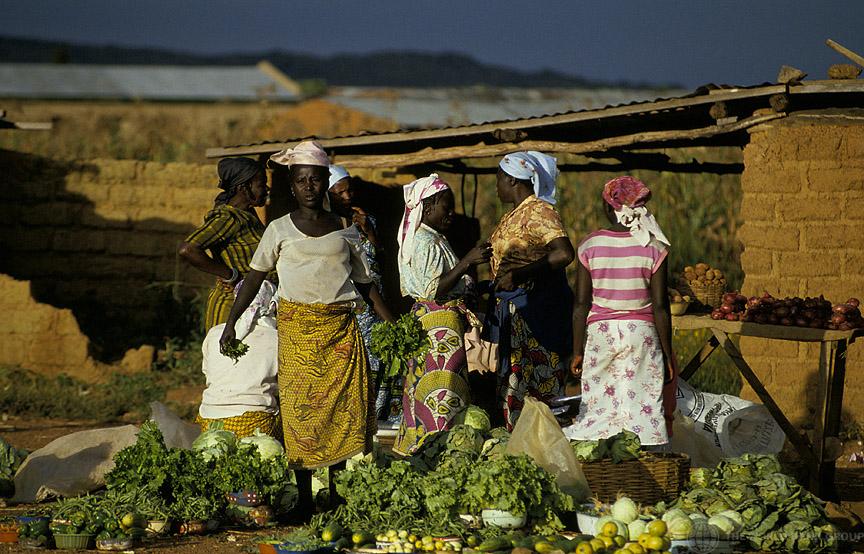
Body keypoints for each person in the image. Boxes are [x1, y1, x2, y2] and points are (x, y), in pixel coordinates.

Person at [219, 140, 394, 516]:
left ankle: (334, 495)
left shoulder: (346, 229)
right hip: (298, 335)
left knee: (342, 412)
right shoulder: (278, 230)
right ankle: (303, 498)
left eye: (315, 180)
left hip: (340, 336)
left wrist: (393, 325)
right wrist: (232, 322)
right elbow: (253, 279)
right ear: (293, 185)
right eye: (301, 181)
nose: (309, 187)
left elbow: (366, 285)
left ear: (324, 180)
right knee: (301, 413)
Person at [565, 176, 674, 446]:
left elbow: (581, 305)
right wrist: (668, 353)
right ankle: (647, 462)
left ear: (607, 207)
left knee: (599, 403)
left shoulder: (590, 246)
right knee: (643, 404)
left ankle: (599, 463)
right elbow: (660, 307)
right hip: (642, 333)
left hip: (601, 333)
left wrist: (578, 350)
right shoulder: (655, 245)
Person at [392, 175, 491, 455]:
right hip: (438, 326)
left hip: (437, 323)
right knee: (442, 390)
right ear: (429, 205)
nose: (451, 214)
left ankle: (426, 446)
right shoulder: (424, 241)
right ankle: (437, 448)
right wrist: (468, 262)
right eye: (446, 207)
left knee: (432, 388)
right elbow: (433, 287)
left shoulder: (431, 238)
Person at [488, 151, 575, 430]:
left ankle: (544, 447)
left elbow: (564, 254)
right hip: (517, 313)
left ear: (513, 180)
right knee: (516, 385)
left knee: (540, 382)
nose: (496, 185)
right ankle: (520, 445)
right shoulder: (517, 214)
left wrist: (520, 274)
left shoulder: (538, 211)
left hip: (535, 312)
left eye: (499, 178)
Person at [328, 165, 397, 424]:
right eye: (340, 192)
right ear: (328, 195)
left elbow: (383, 260)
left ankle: (378, 425)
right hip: (349, 309)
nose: (348, 197)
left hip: (376, 305)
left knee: (382, 365)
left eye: (350, 190)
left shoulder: (367, 220)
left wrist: (369, 232)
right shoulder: (326, 228)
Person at [178, 157, 269, 331]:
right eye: (261, 184)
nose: (266, 189)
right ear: (244, 188)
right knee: (225, 356)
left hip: (249, 304)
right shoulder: (228, 218)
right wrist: (231, 275)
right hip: (229, 305)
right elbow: (187, 249)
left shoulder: (248, 214)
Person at [196, 280, 280, 438]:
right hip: (255, 424)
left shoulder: (215, 333)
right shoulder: (277, 338)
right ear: (272, 303)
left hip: (210, 423)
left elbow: (208, 374)